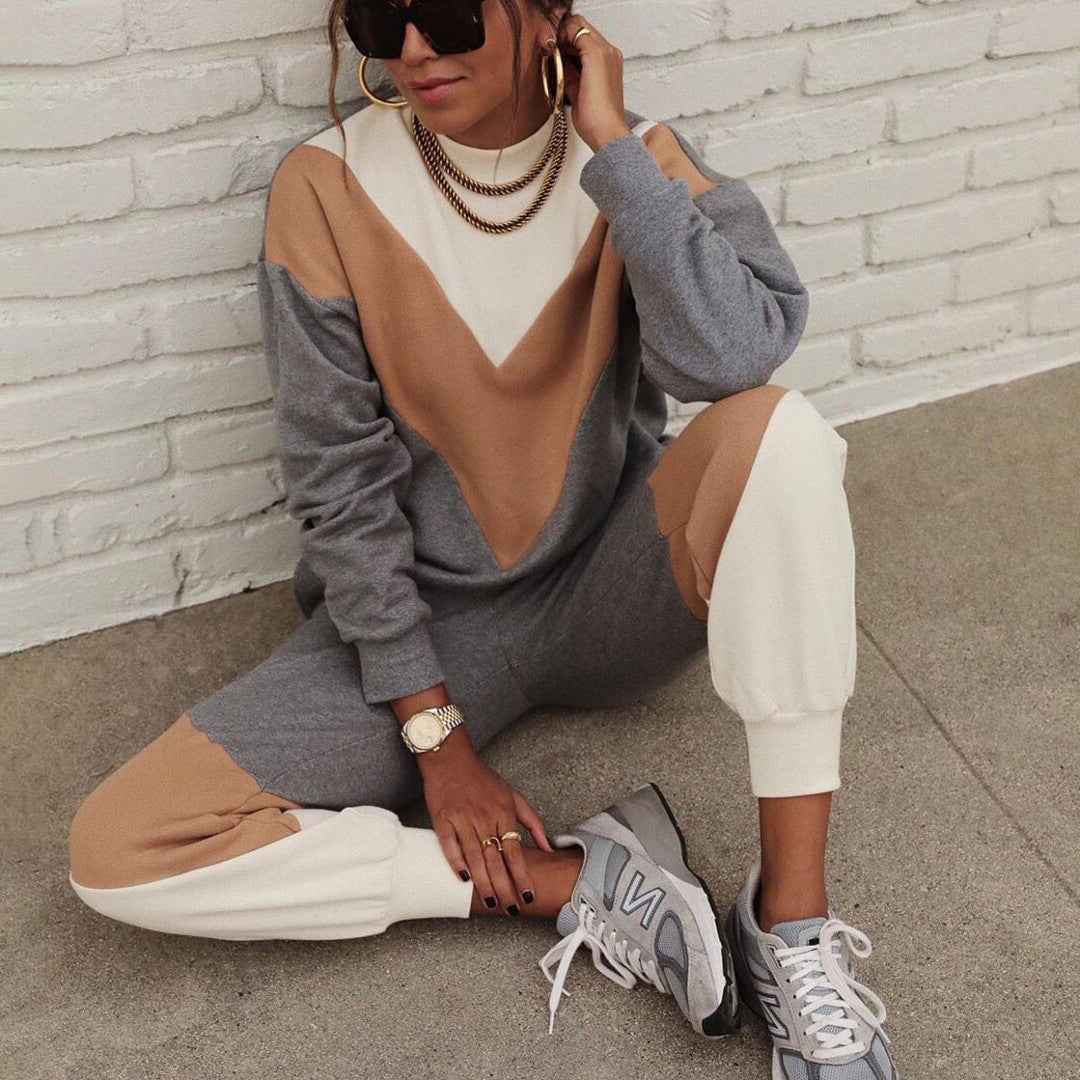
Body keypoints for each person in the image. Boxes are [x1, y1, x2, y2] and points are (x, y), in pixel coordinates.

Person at [66, 1, 899, 1076]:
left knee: (782, 432)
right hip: (420, 631)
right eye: (383, 18)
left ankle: (789, 919)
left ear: (548, 16)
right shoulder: (326, 187)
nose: (414, 50)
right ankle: (585, 880)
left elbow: (736, 355)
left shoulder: (637, 160)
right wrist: (438, 743)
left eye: (451, 14)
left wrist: (611, 148)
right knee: (119, 851)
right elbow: (337, 481)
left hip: (607, 592)